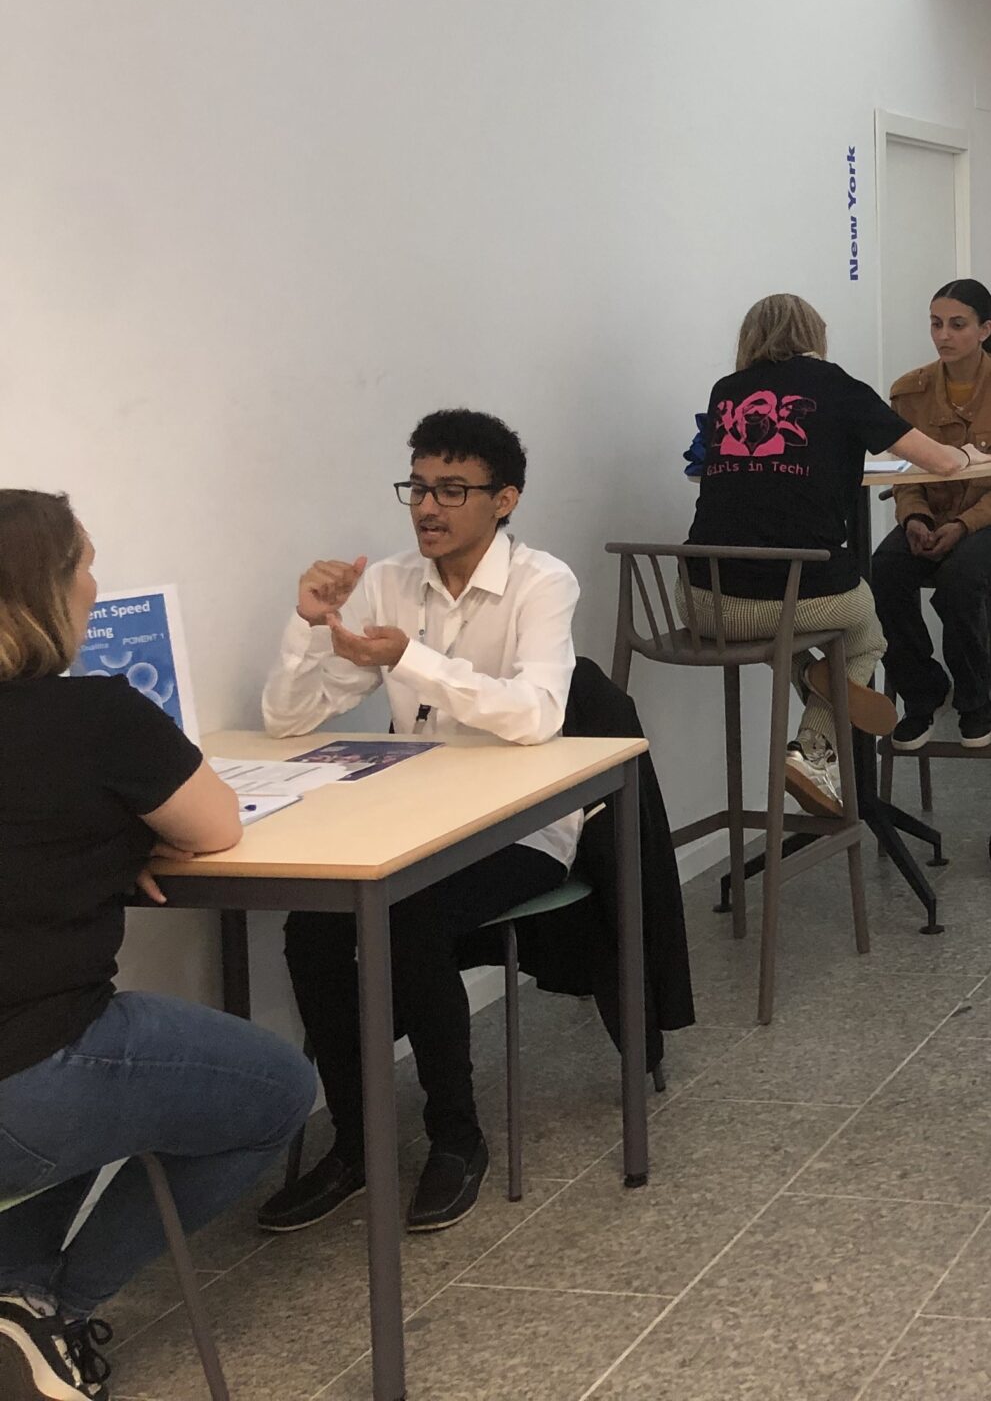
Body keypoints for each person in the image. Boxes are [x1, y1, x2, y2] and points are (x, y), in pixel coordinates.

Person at [0, 492, 315, 1401]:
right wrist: (130, 832)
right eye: (84, 564)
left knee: (109, 1095)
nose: (96, 585)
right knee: (277, 1092)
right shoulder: (95, 715)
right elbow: (216, 826)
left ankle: (11, 1297)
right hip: (32, 1073)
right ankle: (56, 1310)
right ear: (44, 591)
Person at [255, 409, 576, 1237]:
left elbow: (537, 714)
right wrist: (306, 623)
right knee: (312, 927)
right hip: (412, 823)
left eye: (452, 490)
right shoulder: (391, 582)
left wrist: (410, 659)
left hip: (522, 829)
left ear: (504, 499)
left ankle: (455, 1138)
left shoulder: (542, 582)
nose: (428, 508)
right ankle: (357, 1143)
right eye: (420, 488)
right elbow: (289, 721)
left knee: (409, 914)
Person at [685, 293, 975, 816]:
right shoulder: (837, 387)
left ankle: (808, 674)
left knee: (784, 622)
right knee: (866, 630)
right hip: (785, 599)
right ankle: (813, 749)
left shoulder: (726, 391)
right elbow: (941, 462)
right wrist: (965, 454)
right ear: (814, 335)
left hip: (700, 601)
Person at [872, 281, 991, 751]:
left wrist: (965, 525)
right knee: (883, 569)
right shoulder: (909, 392)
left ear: (985, 329)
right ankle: (922, 692)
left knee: (961, 573)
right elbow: (905, 476)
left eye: (957, 324)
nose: (943, 335)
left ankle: (975, 700)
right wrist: (914, 518)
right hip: (931, 516)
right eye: (936, 324)